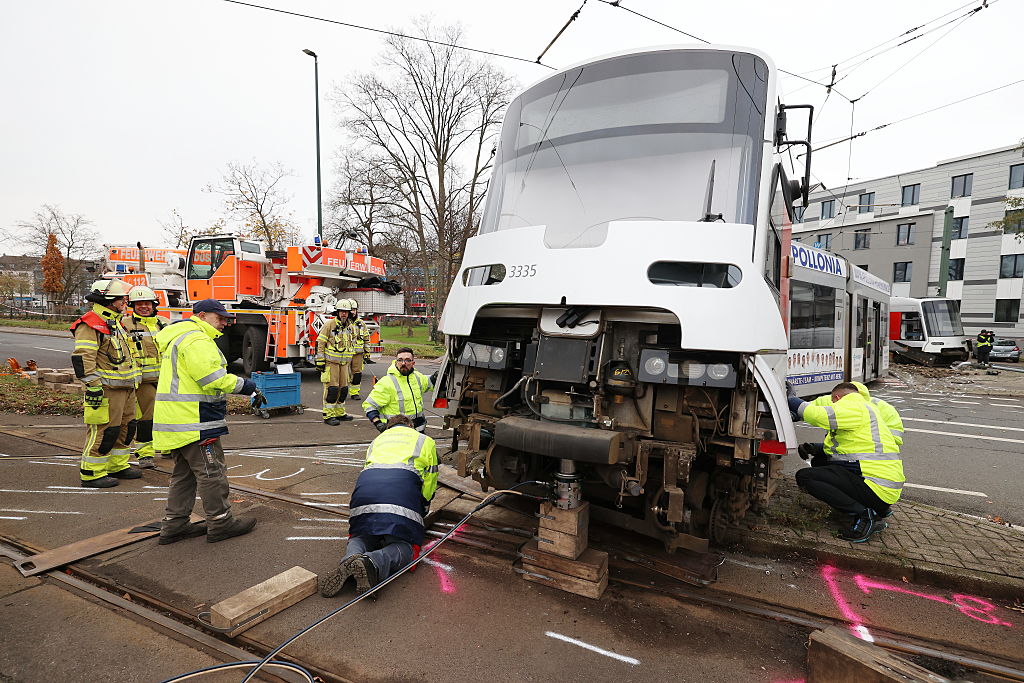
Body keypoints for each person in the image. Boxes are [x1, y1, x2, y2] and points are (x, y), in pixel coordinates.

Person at [153, 299, 264, 544]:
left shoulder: (181, 336)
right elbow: (212, 378)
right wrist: (248, 386)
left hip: (178, 419)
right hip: (196, 419)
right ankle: (221, 522)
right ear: (202, 315)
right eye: (219, 317)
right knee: (211, 473)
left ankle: (175, 524)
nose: (225, 322)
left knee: (185, 475)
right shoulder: (197, 340)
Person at [318, 414, 438, 597]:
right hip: (402, 492)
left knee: (363, 534)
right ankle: (372, 562)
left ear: (389, 428)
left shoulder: (377, 440)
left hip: (364, 496)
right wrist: (423, 506)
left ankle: (350, 560)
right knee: (405, 546)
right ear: (410, 426)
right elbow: (430, 481)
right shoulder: (425, 440)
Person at [787, 382, 905, 543]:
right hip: (883, 485)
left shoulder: (854, 406)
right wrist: (816, 448)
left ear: (836, 397)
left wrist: (790, 399)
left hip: (877, 487)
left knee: (805, 477)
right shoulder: (867, 407)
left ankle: (865, 516)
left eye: (833, 402)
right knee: (821, 461)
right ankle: (878, 508)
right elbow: (852, 447)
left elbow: (817, 415)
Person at [70, 280, 142, 488]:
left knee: (126, 429)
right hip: (106, 390)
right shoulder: (90, 323)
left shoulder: (116, 322)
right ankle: (92, 472)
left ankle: (117, 465)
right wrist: (93, 386)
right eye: (122, 299)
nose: (125, 302)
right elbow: (83, 359)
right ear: (109, 300)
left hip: (126, 387)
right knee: (104, 430)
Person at [797, 381, 904, 464]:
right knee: (819, 462)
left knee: (816, 469)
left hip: (869, 459)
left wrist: (820, 448)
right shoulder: (832, 399)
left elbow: (876, 445)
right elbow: (809, 409)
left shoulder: (877, 409)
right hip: (862, 453)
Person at [121, 285, 166, 468]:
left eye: (147, 303)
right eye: (139, 304)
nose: (143, 307)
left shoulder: (163, 323)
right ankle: (145, 453)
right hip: (143, 381)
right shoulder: (126, 325)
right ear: (132, 305)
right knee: (147, 417)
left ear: (154, 304)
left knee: (166, 415)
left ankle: (167, 446)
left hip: (165, 379)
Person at [362, 347, 434, 433]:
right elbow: (369, 405)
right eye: (400, 360)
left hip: (419, 432)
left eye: (407, 360)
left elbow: (429, 382)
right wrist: (378, 424)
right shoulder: (386, 382)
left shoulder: (418, 377)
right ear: (396, 363)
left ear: (413, 363)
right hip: (397, 433)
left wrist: (439, 376)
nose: (403, 363)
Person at [315, 300, 356, 426]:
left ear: (349, 313)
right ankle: (329, 415)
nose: (344, 314)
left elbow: (352, 343)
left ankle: (340, 413)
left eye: (346, 312)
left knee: (343, 389)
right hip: (331, 363)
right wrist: (320, 360)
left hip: (344, 364)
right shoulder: (329, 325)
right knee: (332, 389)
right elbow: (320, 343)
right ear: (337, 312)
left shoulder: (351, 327)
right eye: (342, 312)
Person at [346, 298, 372, 401]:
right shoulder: (342, 323)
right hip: (344, 354)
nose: (352, 312)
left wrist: (367, 352)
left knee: (357, 374)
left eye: (354, 309)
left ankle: (354, 392)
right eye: (350, 310)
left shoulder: (361, 324)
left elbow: (366, 338)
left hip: (358, 354)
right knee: (343, 374)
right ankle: (341, 392)